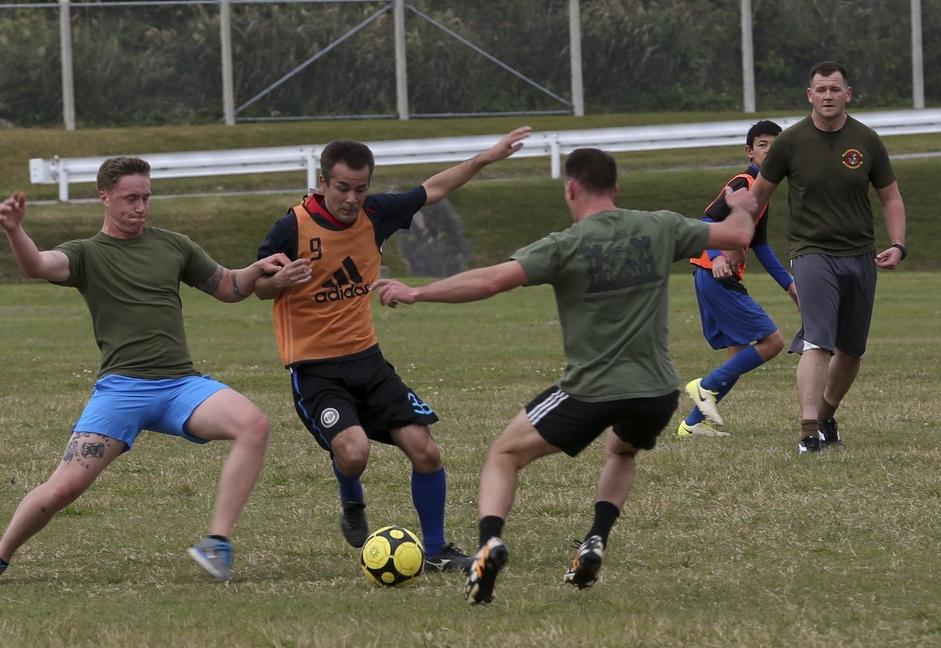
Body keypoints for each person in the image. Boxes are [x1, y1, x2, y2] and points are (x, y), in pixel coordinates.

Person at [373, 148, 758, 604]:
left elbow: (491, 280)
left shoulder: (563, 245)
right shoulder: (660, 226)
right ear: (615, 188)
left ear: (570, 188)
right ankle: (595, 538)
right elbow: (737, 234)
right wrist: (741, 206)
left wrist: (417, 293)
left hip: (592, 390)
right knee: (622, 449)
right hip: (656, 392)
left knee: (504, 454)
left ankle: (490, 542)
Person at [0, 156, 285, 586]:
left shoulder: (173, 244)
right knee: (62, 490)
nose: (141, 207)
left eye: (146, 198)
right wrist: (15, 230)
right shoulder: (85, 254)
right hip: (121, 392)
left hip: (180, 386)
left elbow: (228, 287)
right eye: (131, 198)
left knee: (254, 424)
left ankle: (216, 542)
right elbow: (38, 266)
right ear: (105, 198)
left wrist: (257, 270)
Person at [254, 126, 533, 573]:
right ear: (323, 182)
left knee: (426, 450)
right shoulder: (292, 228)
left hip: (369, 362)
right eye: (342, 188)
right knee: (353, 451)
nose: (351, 198)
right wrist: (275, 282)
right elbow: (258, 286)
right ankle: (351, 498)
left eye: (360, 189)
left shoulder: (376, 214)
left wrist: (486, 158)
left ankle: (437, 549)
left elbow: (434, 188)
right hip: (316, 371)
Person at [750, 61, 907, 454]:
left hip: (860, 254)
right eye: (820, 89)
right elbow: (759, 195)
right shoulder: (790, 142)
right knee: (819, 339)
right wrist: (734, 238)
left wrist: (898, 243)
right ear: (810, 95)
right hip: (810, 252)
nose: (827, 96)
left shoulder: (867, 140)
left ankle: (825, 417)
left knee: (852, 349)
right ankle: (807, 432)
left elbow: (890, 196)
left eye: (835, 89)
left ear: (847, 94)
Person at [681, 120, 799, 436]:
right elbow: (706, 219)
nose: (769, 153)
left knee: (737, 355)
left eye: (777, 148)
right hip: (713, 273)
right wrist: (718, 256)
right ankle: (704, 387)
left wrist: (790, 285)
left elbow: (759, 244)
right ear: (750, 151)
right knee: (772, 341)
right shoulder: (745, 183)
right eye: (763, 145)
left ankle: (693, 424)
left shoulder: (763, 194)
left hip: (713, 276)